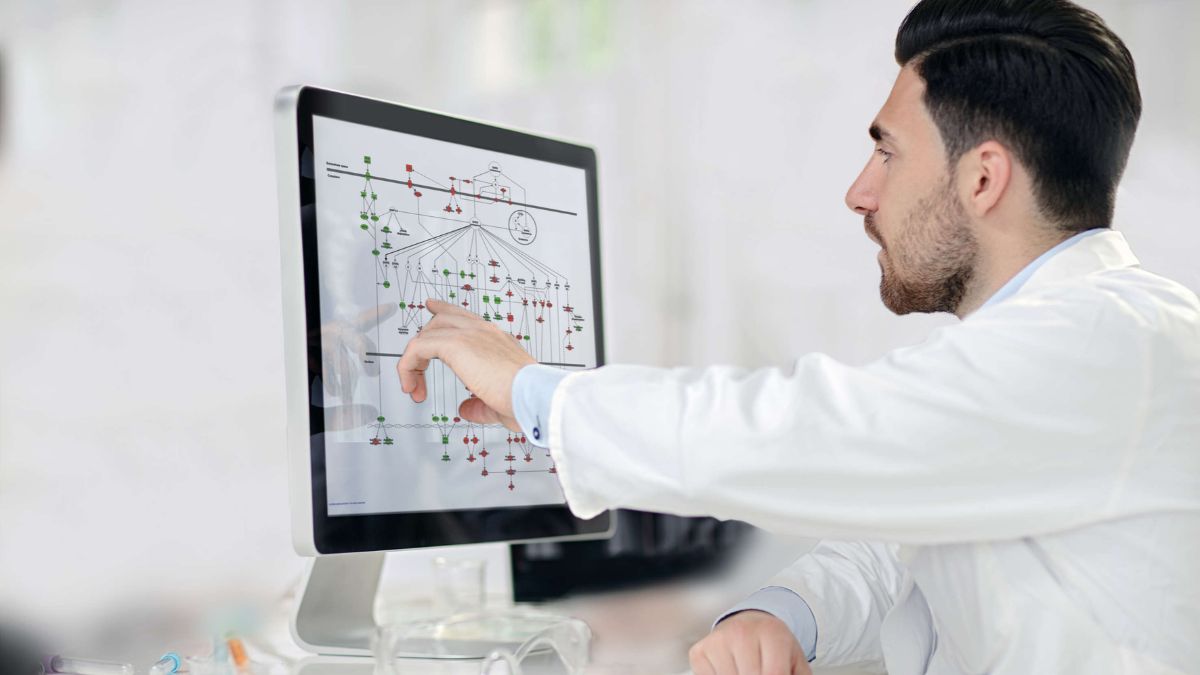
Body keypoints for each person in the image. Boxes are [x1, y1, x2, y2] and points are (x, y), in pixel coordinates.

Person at [395, 0, 1200, 672]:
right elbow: (897, 540)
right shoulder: (1036, 354)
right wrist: (785, 613)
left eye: (887, 151)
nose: (859, 192)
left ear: (982, 178)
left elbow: (806, 428)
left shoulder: (1111, 341)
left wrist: (538, 390)